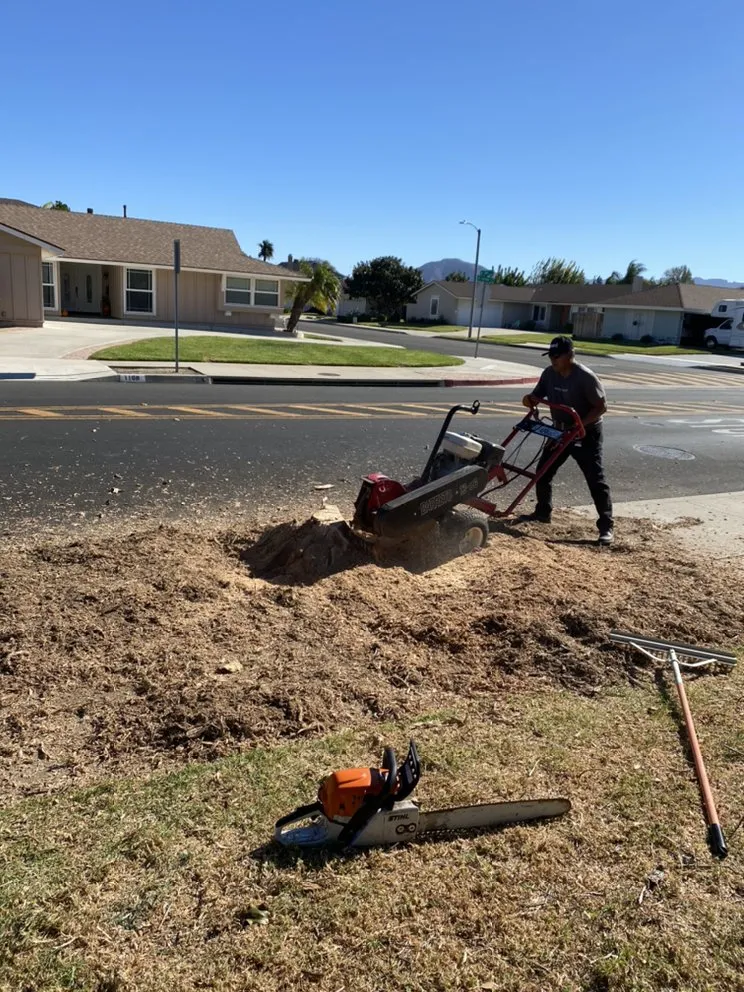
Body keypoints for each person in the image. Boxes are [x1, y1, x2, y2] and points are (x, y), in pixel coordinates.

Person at [521, 335, 614, 545]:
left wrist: (579, 424)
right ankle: (543, 512)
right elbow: (537, 394)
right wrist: (530, 399)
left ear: (570, 355)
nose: (553, 360)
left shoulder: (585, 378)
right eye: (550, 355)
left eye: (557, 356)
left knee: (595, 479)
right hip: (560, 432)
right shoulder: (549, 374)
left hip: (586, 433)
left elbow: (601, 407)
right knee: (543, 472)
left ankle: (606, 526)